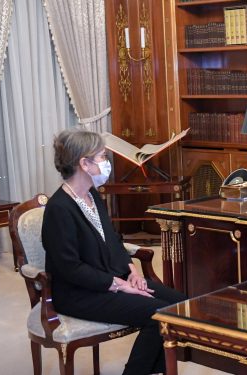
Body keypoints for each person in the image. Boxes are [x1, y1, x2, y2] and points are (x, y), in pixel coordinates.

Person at [42, 128, 186, 375]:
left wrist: (133, 272)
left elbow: (113, 240)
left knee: (180, 305)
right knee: (158, 314)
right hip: (80, 293)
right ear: (84, 164)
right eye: (101, 157)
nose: (107, 163)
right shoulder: (59, 209)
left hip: (111, 277)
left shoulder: (92, 196)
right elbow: (70, 268)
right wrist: (119, 285)